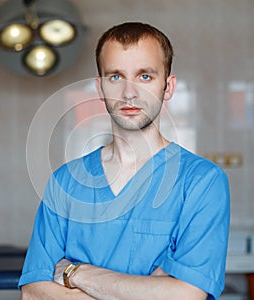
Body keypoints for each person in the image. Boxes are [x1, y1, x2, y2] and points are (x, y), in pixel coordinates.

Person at [19, 22, 230, 300]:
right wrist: (151, 289)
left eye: (145, 77)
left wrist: (77, 273)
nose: (130, 93)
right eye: (116, 77)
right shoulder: (66, 182)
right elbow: (34, 294)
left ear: (168, 87)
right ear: (100, 87)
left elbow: (187, 295)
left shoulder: (202, 182)